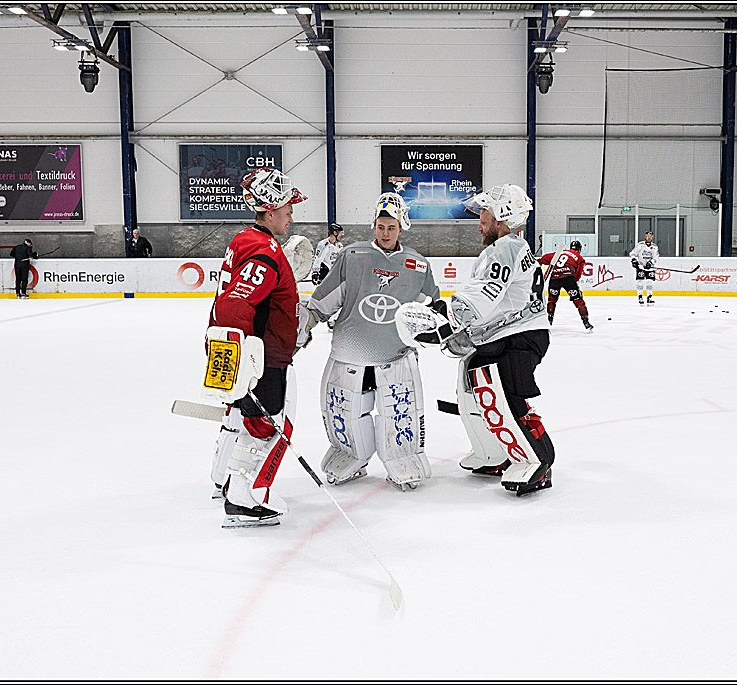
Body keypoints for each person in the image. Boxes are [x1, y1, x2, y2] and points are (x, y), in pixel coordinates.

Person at [407, 184, 554, 496]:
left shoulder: (506, 249)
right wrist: (464, 332)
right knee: (470, 381)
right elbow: (500, 301)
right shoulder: (512, 248)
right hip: (512, 332)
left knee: (502, 393)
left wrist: (446, 315)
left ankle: (537, 460)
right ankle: (494, 453)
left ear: (501, 217)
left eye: (484, 216)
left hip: (519, 336)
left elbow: (484, 294)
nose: (479, 223)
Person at [306, 193, 441, 491]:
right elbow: (325, 298)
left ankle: (401, 459)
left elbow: (429, 309)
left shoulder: (417, 265)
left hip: (395, 353)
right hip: (349, 351)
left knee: (398, 412)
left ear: (401, 228)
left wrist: (437, 326)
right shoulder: (353, 255)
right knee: (346, 411)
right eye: (381, 226)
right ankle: (351, 455)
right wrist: (308, 320)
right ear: (374, 226)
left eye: (391, 227)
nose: (385, 233)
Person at [205, 168, 309, 528]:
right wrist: (242, 365)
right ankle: (244, 498)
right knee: (265, 424)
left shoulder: (244, 240)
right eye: (287, 209)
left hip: (249, 352)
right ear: (269, 211)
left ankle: (224, 478)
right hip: (262, 357)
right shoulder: (263, 249)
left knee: (241, 417)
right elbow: (236, 305)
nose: (291, 216)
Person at [538, 240, 593, 331]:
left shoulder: (561, 252)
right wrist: (572, 285)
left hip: (554, 278)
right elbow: (578, 275)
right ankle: (586, 322)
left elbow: (545, 258)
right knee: (578, 301)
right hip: (569, 278)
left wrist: (539, 262)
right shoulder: (579, 258)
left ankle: (549, 321)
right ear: (579, 249)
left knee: (552, 300)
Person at [629, 229, 660, 306]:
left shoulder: (654, 247)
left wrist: (651, 262)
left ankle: (649, 297)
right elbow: (632, 253)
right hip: (641, 267)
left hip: (650, 268)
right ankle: (640, 296)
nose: (649, 238)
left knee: (650, 282)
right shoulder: (640, 245)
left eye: (650, 236)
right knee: (640, 281)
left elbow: (656, 257)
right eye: (648, 236)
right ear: (645, 237)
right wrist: (634, 260)